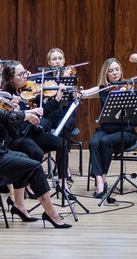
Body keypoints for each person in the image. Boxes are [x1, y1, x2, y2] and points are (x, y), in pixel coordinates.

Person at [0, 69, 71, 228]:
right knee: (35, 166)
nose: (0, 90)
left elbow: (8, 118)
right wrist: (27, 115)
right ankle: (52, 213)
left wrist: (26, 112)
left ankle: (19, 206)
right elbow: (7, 116)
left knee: (25, 160)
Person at [1, 61, 75, 200]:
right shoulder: (7, 95)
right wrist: (25, 111)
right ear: (11, 79)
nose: (25, 76)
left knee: (62, 143)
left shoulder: (28, 91)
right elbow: (12, 121)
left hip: (32, 132)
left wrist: (58, 95)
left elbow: (44, 112)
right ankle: (27, 184)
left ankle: (63, 184)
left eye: (25, 72)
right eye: (21, 74)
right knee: (37, 152)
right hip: (18, 137)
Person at [81, 58, 137, 198]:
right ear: (106, 73)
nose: (114, 73)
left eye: (117, 69)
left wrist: (124, 91)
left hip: (126, 131)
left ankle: (102, 179)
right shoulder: (104, 89)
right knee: (94, 142)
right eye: (111, 71)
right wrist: (79, 92)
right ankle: (100, 181)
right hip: (106, 129)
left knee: (105, 141)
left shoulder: (128, 87)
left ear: (121, 71)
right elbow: (86, 93)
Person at [45, 48, 78, 182]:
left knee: (64, 127)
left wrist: (68, 82)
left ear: (64, 60)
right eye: (54, 59)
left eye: (60, 58)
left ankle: (64, 168)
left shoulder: (70, 78)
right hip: (51, 114)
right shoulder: (45, 79)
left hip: (66, 114)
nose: (57, 62)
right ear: (49, 62)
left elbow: (74, 98)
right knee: (43, 127)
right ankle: (51, 162)